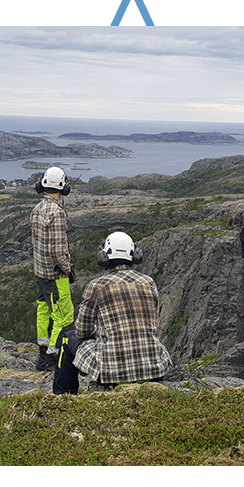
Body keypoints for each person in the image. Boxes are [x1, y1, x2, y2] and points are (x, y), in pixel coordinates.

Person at [53, 231, 173, 394]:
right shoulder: (149, 282)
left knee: (68, 339)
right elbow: (153, 324)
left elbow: (82, 331)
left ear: (104, 257)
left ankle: (63, 396)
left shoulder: (96, 286)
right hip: (153, 370)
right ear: (135, 255)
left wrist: (100, 332)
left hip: (111, 373)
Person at [30, 166, 75, 371]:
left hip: (40, 273)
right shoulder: (57, 213)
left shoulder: (37, 209)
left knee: (43, 311)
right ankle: (51, 359)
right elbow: (58, 250)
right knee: (63, 316)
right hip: (55, 274)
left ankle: (42, 349)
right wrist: (68, 269)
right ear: (63, 187)